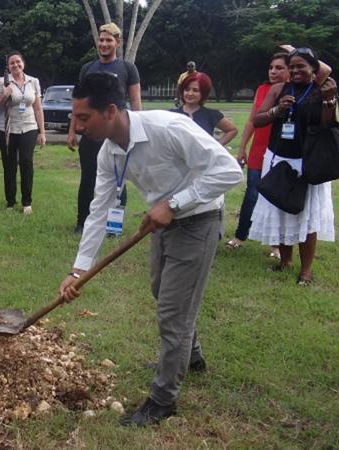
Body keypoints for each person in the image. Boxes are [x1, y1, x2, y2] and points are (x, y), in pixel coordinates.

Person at [59, 73, 242, 427]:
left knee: (173, 312)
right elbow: (99, 211)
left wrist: (174, 204)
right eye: (74, 118)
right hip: (162, 221)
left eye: (83, 118)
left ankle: (162, 401)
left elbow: (229, 171)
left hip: (199, 218)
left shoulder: (168, 127)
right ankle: (191, 356)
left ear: (111, 110)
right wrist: (78, 270)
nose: (77, 126)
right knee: (163, 291)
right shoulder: (109, 152)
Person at [249, 47, 336, 285]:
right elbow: (258, 120)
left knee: (306, 218)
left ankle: (305, 271)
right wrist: (277, 110)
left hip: (307, 161)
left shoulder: (320, 90)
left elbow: (328, 126)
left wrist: (329, 100)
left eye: (302, 66)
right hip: (278, 159)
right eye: (293, 66)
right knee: (281, 210)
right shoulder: (278, 89)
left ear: (313, 69)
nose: (296, 70)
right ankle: (285, 261)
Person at [67, 23, 142, 233]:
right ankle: (83, 222)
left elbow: (136, 102)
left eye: (109, 40)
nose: (104, 44)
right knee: (89, 177)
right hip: (91, 133)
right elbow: (79, 102)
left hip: (118, 133)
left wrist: (137, 129)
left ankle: (113, 226)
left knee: (119, 179)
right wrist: (72, 131)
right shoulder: (87, 68)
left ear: (117, 43)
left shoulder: (128, 69)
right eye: (101, 40)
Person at [227, 53, 290, 254]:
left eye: (279, 67)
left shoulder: (296, 91)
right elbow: (252, 121)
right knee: (252, 194)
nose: (273, 71)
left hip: (282, 152)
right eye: (271, 67)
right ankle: (240, 235)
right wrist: (242, 146)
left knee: (278, 198)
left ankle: (275, 244)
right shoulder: (262, 89)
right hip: (258, 151)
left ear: (291, 70)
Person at [0, 51, 45, 215]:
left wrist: (42, 132)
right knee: (9, 166)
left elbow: (37, 108)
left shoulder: (33, 81)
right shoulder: (2, 82)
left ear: (23, 63)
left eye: (17, 62)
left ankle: (27, 202)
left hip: (29, 127)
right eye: (11, 63)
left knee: (26, 162)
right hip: (7, 129)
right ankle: (10, 201)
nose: (15, 65)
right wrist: (5, 94)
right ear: (8, 67)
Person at [170, 72, 237, 144]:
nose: (190, 93)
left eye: (195, 90)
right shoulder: (171, 114)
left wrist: (215, 147)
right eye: (187, 89)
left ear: (203, 93)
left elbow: (232, 130)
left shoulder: (211, 115)